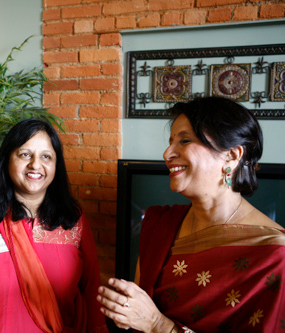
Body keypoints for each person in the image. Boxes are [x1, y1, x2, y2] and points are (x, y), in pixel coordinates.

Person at [97, 97, 285, 332]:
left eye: (184, 140)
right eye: (170, 142)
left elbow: (151, 321)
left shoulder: (274, 255)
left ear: (232, 155)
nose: (167, 154)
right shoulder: (160, 224)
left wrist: (159, 325)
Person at [0, 119, 108, 332]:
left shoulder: (73, 219)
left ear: (56, 165)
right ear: (7, 159)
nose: (35, 164)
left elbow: (91, 291)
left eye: (46, 156)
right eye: (25, 154)